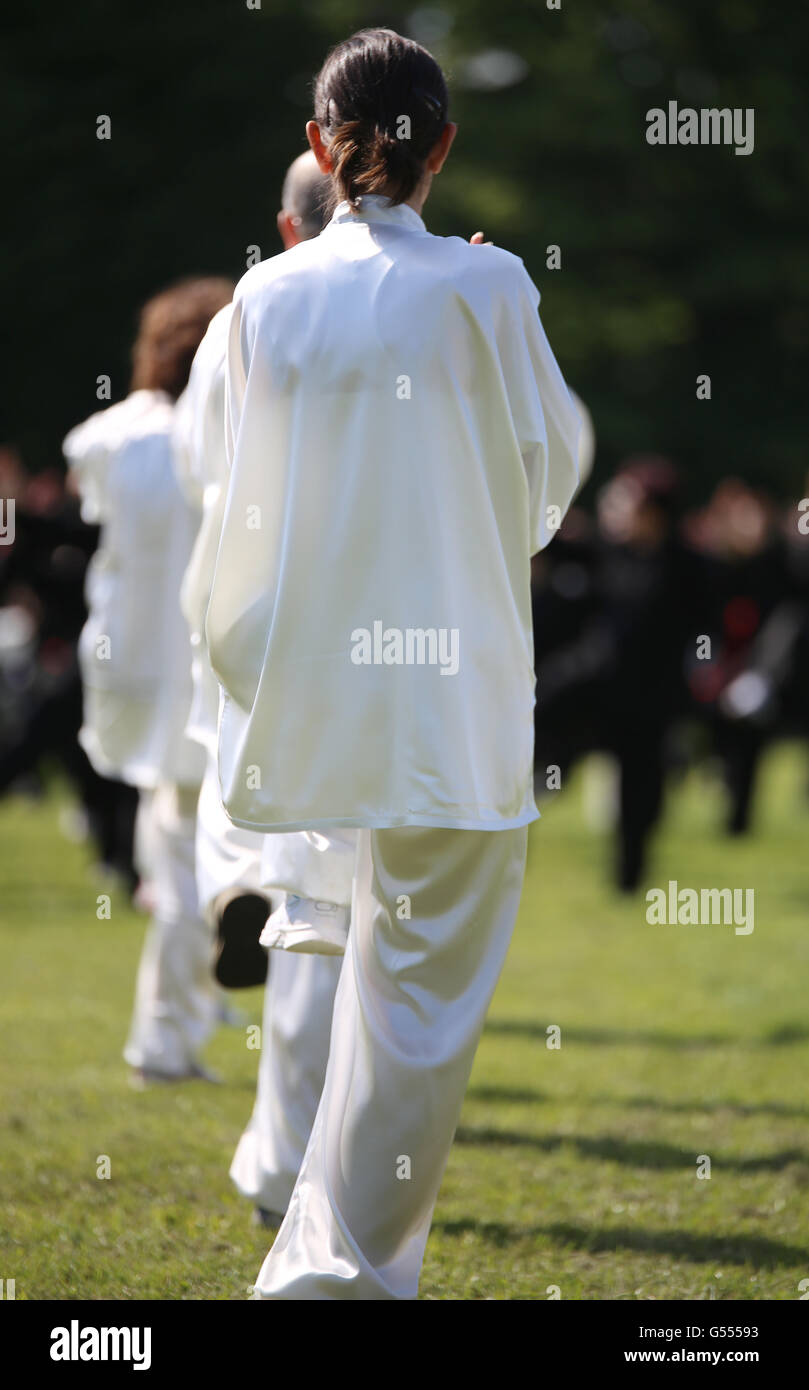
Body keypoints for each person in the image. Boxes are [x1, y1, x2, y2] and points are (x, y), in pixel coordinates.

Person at [206, 28, 583, 1299]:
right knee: (415, 1006)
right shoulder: (490, 287)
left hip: (308, 695)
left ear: (322, 146)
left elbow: (238, 501)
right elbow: (542, 487)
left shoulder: (266, 293)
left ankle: (318, 1250)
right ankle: (335, 1275)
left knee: (332, 949)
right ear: (444, 149)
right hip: (447, 700)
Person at [173, 151, 356, 1224]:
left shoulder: (247, 312)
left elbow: (203, 463)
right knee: (334, 909)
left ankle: (229, 884)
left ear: (284, 227)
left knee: (262, 846)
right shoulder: (436, 308)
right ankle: (298, 1158)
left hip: (244, 615)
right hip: (370, 636)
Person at [63, 277, 233, 1084]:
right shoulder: (237, 435)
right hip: (212, 673)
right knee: (197, 857)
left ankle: (183, 1012)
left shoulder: (109, 437)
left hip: (134, 666)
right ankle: (170, 1031)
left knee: (172, 842)